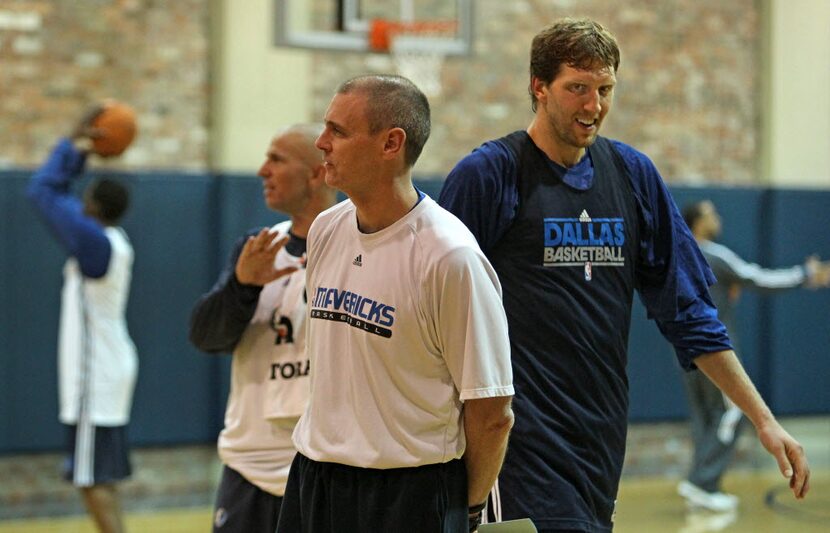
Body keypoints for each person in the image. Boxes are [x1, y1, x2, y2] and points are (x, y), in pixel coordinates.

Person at [438, 17, 811, 533]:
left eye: (605, 89)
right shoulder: (489, 175)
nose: (593, 106)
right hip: (516, 438)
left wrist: (762, 418)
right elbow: (434, 312)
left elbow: (690, 315)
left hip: (601, 434)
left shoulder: (633, 176)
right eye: (578, 88)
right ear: (539, 87)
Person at [276, 75, 515, 533]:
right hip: (315, 478)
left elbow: (492, 413)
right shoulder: (326, 229)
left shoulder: (451, 257)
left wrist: (467, 510)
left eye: (338, 132)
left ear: (391, 143)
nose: (321, 143)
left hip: (410, 494)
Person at [188, 124, 337, 532]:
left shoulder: (359, 247)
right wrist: (242, 285)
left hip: (327, 465)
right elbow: (207, 337)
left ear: (316, 173)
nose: (262, 171)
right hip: (249, 463)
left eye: (277, 159)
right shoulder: (258, 248)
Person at [27, 106, 138, 533]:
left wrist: (74, 144)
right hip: (106, 370)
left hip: (97, 376)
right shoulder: (108, 240)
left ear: (92, 205)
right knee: (98, 477)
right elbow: (55, 196)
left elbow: (42, 192)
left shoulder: (95, 244)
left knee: (89, 480)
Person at [677, 199, 830, 511]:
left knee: (706, 418)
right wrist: (804, 273)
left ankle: (702, 483)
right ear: (696, 221)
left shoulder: (680, 255)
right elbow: (758, 278)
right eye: (711, 212)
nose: (717, 216)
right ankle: (701, 482)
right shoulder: (713, 254)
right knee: (731, 413)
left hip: (685, 348)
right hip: (715, 351)